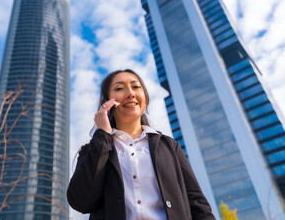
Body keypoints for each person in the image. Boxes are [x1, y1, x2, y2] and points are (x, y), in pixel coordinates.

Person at [67, 69, 216, 220]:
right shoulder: (94, 149)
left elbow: (197, 203)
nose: (130, 93)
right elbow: (80, 201)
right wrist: (103, 135)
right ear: (106, 102)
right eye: (119, 88)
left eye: (136, 87)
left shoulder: (169, 146)